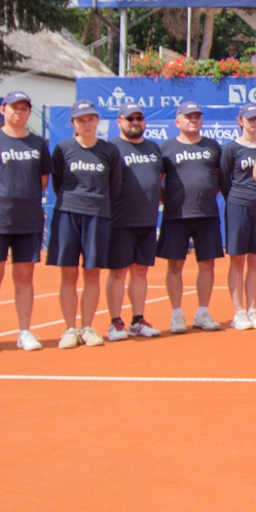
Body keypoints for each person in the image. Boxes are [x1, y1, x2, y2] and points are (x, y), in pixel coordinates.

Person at [0, 91, 50, 354]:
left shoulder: (38, 143)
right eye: (14, 107)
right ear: (3, 110)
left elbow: (42, 181)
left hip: (28, 218)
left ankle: (25, 331)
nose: (19, 112)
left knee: (24, 275)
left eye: (24, 108)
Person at [48, 100, 122, 348]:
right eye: (81, 120)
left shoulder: (109, 151)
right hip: (67, 214)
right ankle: (70, 329)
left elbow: (114, 187)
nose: (86, 124)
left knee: (92, 273)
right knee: (68, 273)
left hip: (98, 216)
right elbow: (57, 184)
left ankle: (88, 327)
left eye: (90, 119)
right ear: (73, 123)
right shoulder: (62, 149)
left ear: (97, 121)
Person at [159, 101, 225, 334]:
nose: (193, 120)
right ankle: (177, 315)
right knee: (175, 264)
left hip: (207, 213)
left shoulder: (212, 146)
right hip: (176, 214)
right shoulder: (165, 148)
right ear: (177, 121)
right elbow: (156, 181)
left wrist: (205, 194)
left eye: (197, 116)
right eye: (188, 116)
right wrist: (167, 200)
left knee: (207, 263)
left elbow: (218, 178)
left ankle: (202, 313)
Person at [105, 105, 164, 340]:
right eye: (130, 118)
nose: (135, 122)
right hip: (119, 220)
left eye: (139, 118)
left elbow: (158, 177)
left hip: (147, 220)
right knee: (118, 272)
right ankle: (115, 323)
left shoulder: (153, 148)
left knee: (140, 271)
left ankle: (137, 321)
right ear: (119, 121)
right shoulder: (110, 148)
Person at [220, 105, 256, 330]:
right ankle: (238, 311)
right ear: (241, 121)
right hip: (238, 205)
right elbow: (224, 179)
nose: (254, 122)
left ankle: (252, 309)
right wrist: (236, 198)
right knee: (237, 259)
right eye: (250, 119)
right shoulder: (231, 148)